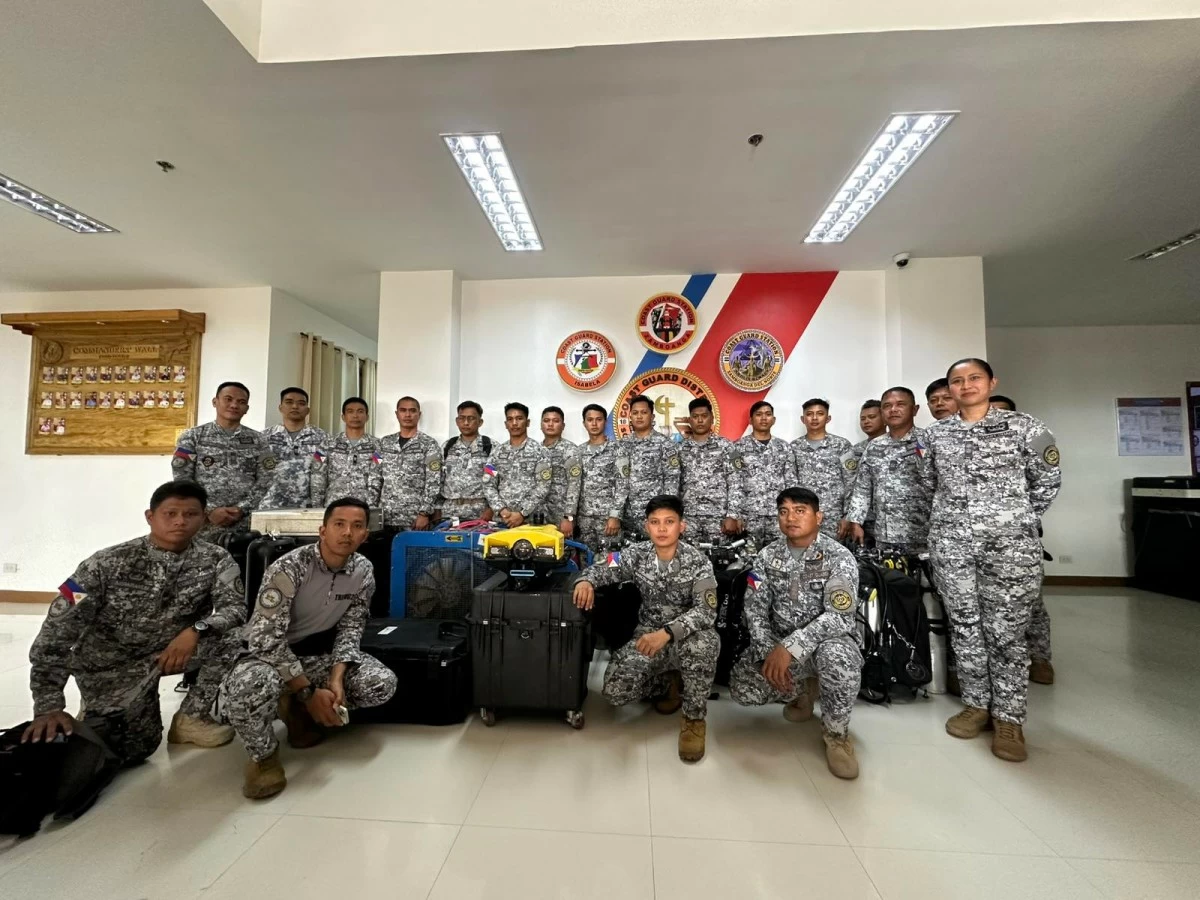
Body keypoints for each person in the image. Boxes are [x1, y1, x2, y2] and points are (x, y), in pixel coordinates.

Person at [23, 481, 245, 764]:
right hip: (111, 664)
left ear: (203, 518)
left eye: (190, 514)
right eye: (170, 513)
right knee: (135, 749)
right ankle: (100, 707)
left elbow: (235, 608)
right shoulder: (103, 564)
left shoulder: (216, 559)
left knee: (236, 638)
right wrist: (48, 705)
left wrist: (196, 630)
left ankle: (192, 717)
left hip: (172, 653)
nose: (180, 521)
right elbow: (55, 633)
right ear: (150, 517)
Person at [920, 358, 1061, 762]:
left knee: (1007, 632)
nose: (965, 386)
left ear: (991, 382)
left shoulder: (1025, 427)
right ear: (949, 388)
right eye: (957, 381)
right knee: (965, 626)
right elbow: (930, 484)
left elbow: (1048, 480)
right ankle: (976, 704)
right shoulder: (935, 435)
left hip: (1009, 547)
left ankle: (1009, 719)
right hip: (952, 544)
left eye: (974, 378)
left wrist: (1013, 519)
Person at [217, 498, 398, 799]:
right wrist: (308, 692)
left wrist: (336, 679)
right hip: (265, 656)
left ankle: (295, 708)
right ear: (322, 531)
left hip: (315, 654)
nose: (347, 533)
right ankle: (263, 757)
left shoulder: (363, 570)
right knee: (251, 686)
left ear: (365, 535)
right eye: (339, 524)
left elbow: (351, 627)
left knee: (380, 683)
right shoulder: (290, 567)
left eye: (357, 526)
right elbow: (266, 640)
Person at [573, 495, 719, 763]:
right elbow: (602, 568)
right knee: (615, 691)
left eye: (669, 522)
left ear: (681, 526)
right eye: (655, 522)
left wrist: (667, 633)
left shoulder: (699, 561)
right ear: (646, 526)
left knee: (705, 645)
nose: (662, 529)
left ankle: (694, 719)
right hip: (648, 633)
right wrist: (585, 581)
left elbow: (706, 612)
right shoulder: (635, 555)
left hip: (688, 635)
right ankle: (668, 684)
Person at [730, 487, 861, 779]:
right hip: (778, 644)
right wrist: (767, 651)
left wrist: (791, 647)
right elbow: (755, 609)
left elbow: (840, 617)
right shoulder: (766, 556)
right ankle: (802, 692)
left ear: (818, 517)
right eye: (784, 512)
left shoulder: (839, 557)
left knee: (837, 659)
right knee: (744, 689)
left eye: (800, 511)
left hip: (826, 643)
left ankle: (836, 735)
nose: (791, 518)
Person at [990, 394, 1055, 685]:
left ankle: (1040, 657)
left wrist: (1019, 518)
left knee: (1028, 602)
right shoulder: (959, 441)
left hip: (1017, 539)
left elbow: (1047, 481)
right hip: (969, 539)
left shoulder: (1027, 434)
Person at [172, 381, 276, 540]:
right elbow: (182, 479)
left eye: (241, 402)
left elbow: (267, 479)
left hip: (245, 525)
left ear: (246, 409)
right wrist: (209, 510)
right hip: (203, 524)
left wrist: (241, 509)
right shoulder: (192, 437)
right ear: (215, 402)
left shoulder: (258, 440)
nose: (234, 405)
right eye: (228, 399)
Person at [844, 387, 931, 558]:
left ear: (914, 409)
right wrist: (856, 520)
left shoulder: (925, 441)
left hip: (922, 533)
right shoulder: (875, 446)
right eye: (887, 406)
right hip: (884, 534)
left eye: (900, 404)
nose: (893, 410)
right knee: (889, 574)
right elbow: (863, 488)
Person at [561, 404, 628, 551]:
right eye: (590, 420)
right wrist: (570, 518)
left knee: (611, 560)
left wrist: (615, 516)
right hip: (584, 520)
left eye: (598, 419)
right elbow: (573, 487)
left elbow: (622, 485)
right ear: (584, 423)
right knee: (586, 559)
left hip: (607, 519)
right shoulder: (578, 452)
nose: (594, 423)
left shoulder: (618, 449)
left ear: (605, 422)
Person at [677, 398, 744, 544]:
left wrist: (733, 515)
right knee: (688, 556)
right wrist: (675, 518)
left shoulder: (727, 447)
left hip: (719, 518)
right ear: (689, 420)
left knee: (720, 557)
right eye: (695, 416)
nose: (700, 420)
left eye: (704, 416)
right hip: (688, 519)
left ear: (712, 418)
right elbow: (674, 484)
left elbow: (736, 481)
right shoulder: (679, 449)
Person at [736, 401, 799, 549]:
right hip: (748, 516)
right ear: (750, 420)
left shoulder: (784, 447)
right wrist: (736, 514)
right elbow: (734, 482)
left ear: (774, 419)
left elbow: (791, 482)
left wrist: (792, 513)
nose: (764, 418)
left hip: (778, 515)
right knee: (747, 558)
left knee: (779, 556)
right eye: (759, 414)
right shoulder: (736, 448)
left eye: (768, 414)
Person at [620, 395, 682, 540]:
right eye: (635, 413)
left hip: (656, 516)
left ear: (652, 416)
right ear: (630, 416)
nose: (639, 416)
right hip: (628, 518)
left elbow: (672, 480)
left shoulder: (665, 444)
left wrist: (666, 512)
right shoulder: (622, 444)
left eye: (644, 412)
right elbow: (620, 480)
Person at [482, 402, 553, 527]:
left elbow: (543, 486)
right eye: (510, 419)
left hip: (531, 521)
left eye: (519, 418)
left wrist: (522, 513)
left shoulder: (541, 451)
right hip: (503, 520)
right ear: (506, 424)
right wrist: (502, 510)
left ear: (528, 422)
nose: (514, 423)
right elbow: (488, 484)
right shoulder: (496, 453)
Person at [377, 396, 442, 530]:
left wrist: (424, 513)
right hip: (385, 516)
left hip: (414, 518)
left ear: (419, 414)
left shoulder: (429, 444)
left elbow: (434, 481)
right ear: (397, 414)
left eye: (412, 411)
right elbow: (375, 476)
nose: (407, 415)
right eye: (403, 410)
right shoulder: (384, 443)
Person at [259, 387, 329, 509]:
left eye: (301, 403)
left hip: (308, 507)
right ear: (280, 407)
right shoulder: (264, 438)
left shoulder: (322, 439)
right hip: (270, 505)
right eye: (289, 402)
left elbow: (323, 469)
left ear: (307, 410)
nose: (295, 406)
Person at [791, 399, 852, 537]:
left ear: (828, 418)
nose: (814, 418)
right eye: (809, 414)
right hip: (804, 515)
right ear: (803, 419)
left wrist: (848, 516)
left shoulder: (842, 445)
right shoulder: (794, 447)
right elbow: (791, 483)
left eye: (820, 413)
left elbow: (851, 482)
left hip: (834, 516)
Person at [309, 397, 382, 508]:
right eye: (350, 411)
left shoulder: (377, 446)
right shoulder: (327, 444)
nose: (355, 416)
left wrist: (371, 507)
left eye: (360, 411)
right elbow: (318, 475)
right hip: (334, 506)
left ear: (367, 417)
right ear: (343, 417)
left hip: (363, 507)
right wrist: (317, 508)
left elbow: (377, 477)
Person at [438, 401, 494, 522]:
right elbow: (439, 479)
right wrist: (437, 508)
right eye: (462, 418)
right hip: (450, 512)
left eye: (471, 418)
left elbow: (497, 480)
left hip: (480, 512)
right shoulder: (448, 446)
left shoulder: (490, 447)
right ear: (457, 421)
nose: (466, 422)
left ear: (480, 422)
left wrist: (492, 508)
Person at [540, 406, 578, 526]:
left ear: (563, 426)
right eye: (546, 421)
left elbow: (574, 485)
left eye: (555, 421)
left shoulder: (570, 450)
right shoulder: (536, 450)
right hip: (538, 514)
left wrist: (568, 517)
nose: (550, 424)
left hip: (561, 516)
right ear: (541, 424)